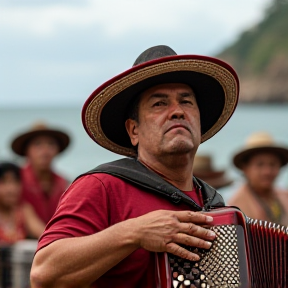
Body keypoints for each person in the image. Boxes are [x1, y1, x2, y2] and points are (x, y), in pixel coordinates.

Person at [30, 45, 239, 288]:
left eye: (186, 101)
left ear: (199, 123)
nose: (178, 111)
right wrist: (135, 232)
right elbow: (43, 274)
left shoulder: (214, 204)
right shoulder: (102, 186)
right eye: (159, 104)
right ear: (134, 130)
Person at [11, 122, 70, 224]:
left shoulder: (64, 183)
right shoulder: (15, 180)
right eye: (38, 144)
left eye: (51, 144)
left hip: (57, 236)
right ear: (27, 150)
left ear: (57, 150)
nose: (45, 150)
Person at [228, 131, 288, 225]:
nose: (267, 171)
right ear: (245, 168)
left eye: (273, 164)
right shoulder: (237, 207)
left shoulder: (284, 196)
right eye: (260, 165)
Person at [0, 162, 45, 244]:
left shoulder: (24, 211)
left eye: (15, 182)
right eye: (4, 182)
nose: (11, 189)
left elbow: (44, 234)